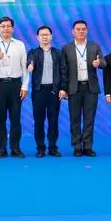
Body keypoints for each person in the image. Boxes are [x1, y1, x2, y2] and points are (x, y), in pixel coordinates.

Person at [60, 20, 106, 157]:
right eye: (78, 29)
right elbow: (63, 70)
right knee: (74, 119)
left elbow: (104, 63)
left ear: (87, 31)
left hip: (90, 88)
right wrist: (64, 88)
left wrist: (99, 63)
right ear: (73, 32)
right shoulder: (66, 48)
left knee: (89, 119)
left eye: (83, 29)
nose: (81, 31)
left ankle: (87, 146)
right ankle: (77, 146)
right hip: (74, 88)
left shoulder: (94, 46)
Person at [0, 16, 29, 158]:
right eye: (3, 26)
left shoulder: (20, 45)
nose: (6, 29)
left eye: (8, 26)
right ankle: (1, 149)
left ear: (13, 28)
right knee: (0, 118)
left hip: (16, 84)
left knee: (15, 117)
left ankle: (15, 148)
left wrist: (25, 86)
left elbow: (25, 67)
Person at [27, 25, 64, 158]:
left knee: (53, 120)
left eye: (47, 34)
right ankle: (40, 148)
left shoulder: (58, 53)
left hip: (54, 91)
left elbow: (63, 71)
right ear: (37, 37)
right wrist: (30, 65)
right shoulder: (33, 52)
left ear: (51, 36)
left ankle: (53, 147)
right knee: (39, 120)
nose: (44, 37)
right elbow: (30, 61)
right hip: (39, 91)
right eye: (42, 35)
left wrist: (63, 88)